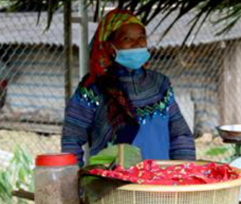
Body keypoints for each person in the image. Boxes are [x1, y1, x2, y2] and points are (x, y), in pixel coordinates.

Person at [62, 9, 196, 166]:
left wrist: (185, 173)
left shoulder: (160, 84)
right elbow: (72, 139)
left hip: (160, 182)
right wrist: (74, 179)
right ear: (110, 46)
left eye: (141, 37)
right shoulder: (93, 89)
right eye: (127, 38)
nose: (137, 43)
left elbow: (180, 135)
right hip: (112, 185)